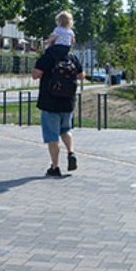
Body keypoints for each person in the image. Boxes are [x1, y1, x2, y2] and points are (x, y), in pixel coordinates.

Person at [33, 43, 84, 177]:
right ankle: (71, 152)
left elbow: (36, 74)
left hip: (49, 102)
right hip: (68, 101)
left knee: (52, 136)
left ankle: (55, 167)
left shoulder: (47, 57)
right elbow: (81, 76)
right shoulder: (72, 57)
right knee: (66, 130)